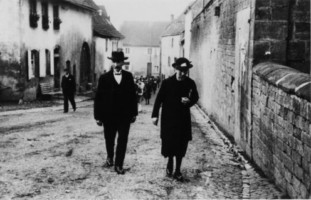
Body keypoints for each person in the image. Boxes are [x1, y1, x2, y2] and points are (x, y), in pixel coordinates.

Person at [151, 57, 199, 181]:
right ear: (176, 69)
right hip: (169, 119)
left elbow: (195, 97)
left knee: (181, 143)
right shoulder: (167, 83)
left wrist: (189, 101)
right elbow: (159, 99)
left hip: (183, 119)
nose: (183, 73)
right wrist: (155, 115)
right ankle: (170, 162)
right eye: (181, 70)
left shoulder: (190, 83)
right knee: (169, 142)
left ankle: (177, 170)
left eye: (185, 71)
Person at [94, 51, 138, 175]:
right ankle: (110, 157)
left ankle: (119, 164)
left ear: (123, 62)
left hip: (124, 116)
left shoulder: (129, 77)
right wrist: (98, 116)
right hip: (109, 116)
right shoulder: (104, 78)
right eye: (114, 61)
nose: (116, 64)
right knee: (109, 138)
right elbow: (99, 98)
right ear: (112, 62)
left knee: (123, 140)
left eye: (119, 61)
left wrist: (134, 113)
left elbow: (132, 96)